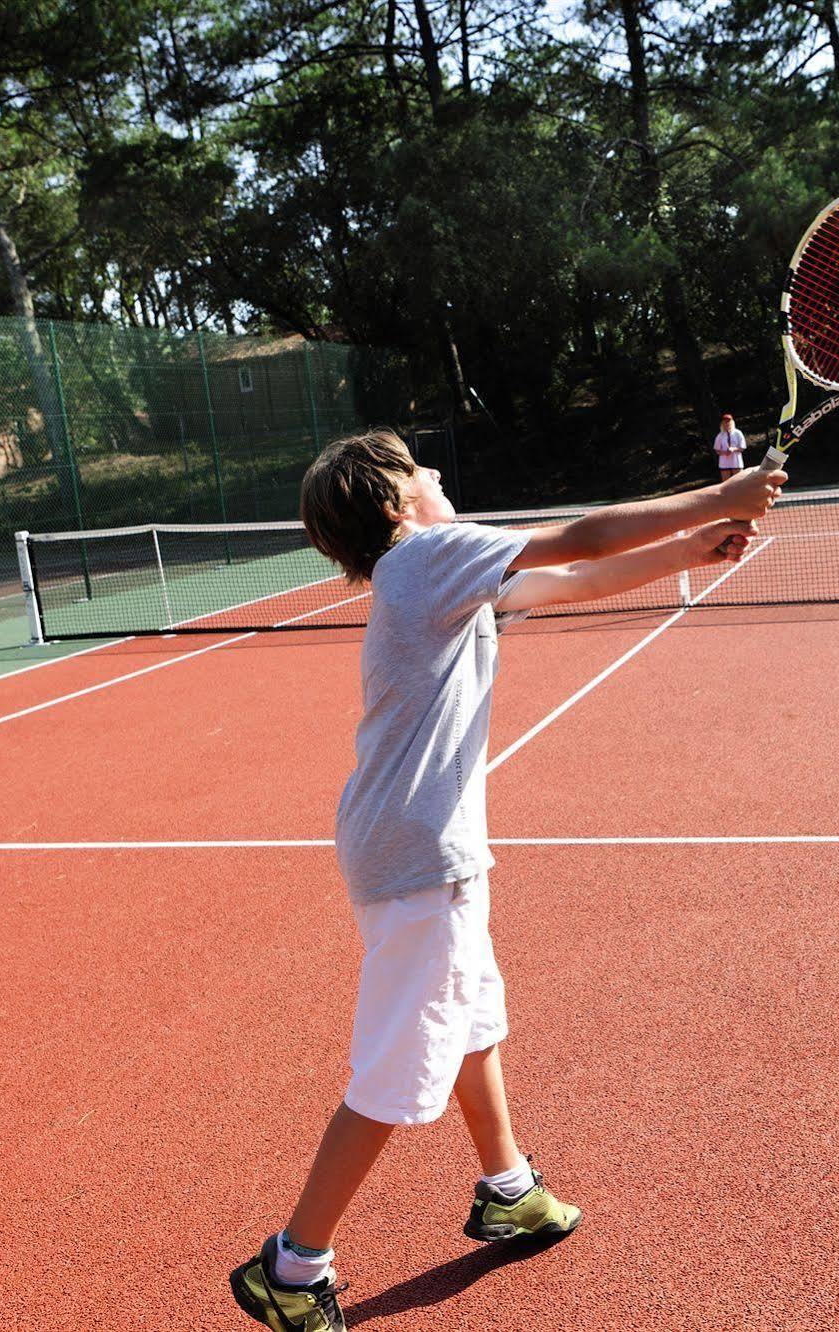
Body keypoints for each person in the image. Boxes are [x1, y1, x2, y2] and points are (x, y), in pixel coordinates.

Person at [233, 429, 785, 1332]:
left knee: (471, 1019)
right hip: (417, 853)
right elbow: (582, 538)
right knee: (394, 1069)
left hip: (420, 844)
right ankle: (292, 1267)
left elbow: (569, 584)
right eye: (423, 470)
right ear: (394, 506)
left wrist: (692, 549)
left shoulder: (432, 578)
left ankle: (509, 1190)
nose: (443, 474)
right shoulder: (427, 558)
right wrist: (719, 500)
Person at [713, 413, 747, 479]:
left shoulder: (738, 433)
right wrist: (725, 452)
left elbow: (743, 447)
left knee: (738, 482)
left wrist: (734, 449)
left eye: (729, 422)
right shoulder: (720, 435)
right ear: (722, 424)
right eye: (725, 422)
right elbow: (717, 450)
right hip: (724, 463)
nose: (727, 423)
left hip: (736, 462)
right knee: (725, 484)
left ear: (732, 422)